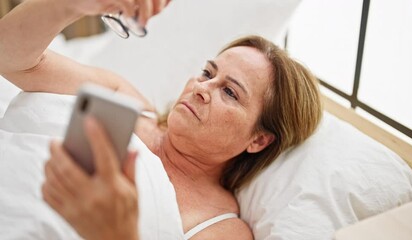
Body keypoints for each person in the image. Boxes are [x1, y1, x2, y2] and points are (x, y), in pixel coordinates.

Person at [0, 0, 322, 239]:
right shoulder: (125, 99)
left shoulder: (222, 227)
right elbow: (12, 60)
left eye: (230, 93)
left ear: (259, 140)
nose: (201, 89)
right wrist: (70, 5)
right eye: (208, 73)